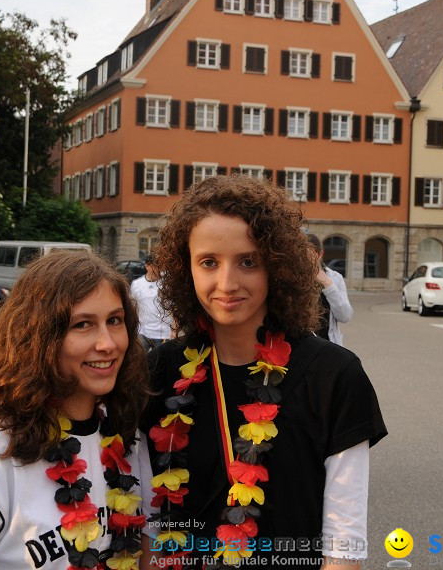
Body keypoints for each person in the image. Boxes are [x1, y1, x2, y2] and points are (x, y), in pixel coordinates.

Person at [144, 176, 386, 569]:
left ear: (277, 265)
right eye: (208, 262)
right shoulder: (162, 369)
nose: (227, 283)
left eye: (248, 261)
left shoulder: (334, 376)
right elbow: (151, 530)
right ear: (186, 269)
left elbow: (344, 548)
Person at [0, 251, 156, 570]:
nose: (107, 343)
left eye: (114, 321)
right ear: (40, 338)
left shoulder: (128, 443)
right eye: (82, 324)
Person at [306, 234, 354, 346]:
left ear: (320, 254)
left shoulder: (335, 278)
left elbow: (345, 316)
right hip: (305, 346)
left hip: (330, 345)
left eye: (309, 254)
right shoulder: (293, 279)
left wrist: (328, 284)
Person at [130, 255, 173, 352]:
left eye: (160, 266)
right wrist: (133, 327)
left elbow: (172, 307)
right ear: (147, 266)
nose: (158, 269)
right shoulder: (137, 284)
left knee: (160, 363)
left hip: (162, 333)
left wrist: (174, 329)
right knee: (141, 361)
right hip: (143, 332)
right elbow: (134, 306)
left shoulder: (166, 283)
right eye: (155, 266)